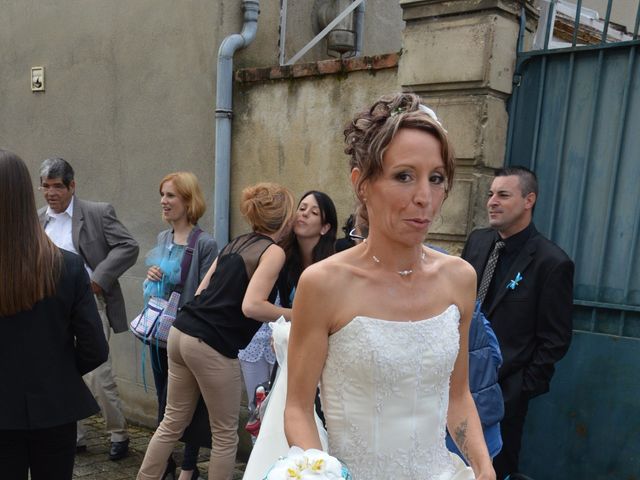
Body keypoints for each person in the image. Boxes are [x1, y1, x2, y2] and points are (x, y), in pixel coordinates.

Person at [282, 93, 495, 479]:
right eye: (404, 176)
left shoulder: (459, 278)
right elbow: (297, 407)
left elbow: (458, 395)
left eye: (436, 179)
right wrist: (319, 471)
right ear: (362, 184)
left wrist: (483, 467)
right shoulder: (323, 284)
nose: (424, 199)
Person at [137, 182, 295, 480]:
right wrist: (295, 314)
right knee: (224, 435)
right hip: (212, 343)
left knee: (171, 422)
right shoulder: (273, 252)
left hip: (181, 331)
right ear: (284, 218)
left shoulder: (236, 243)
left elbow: (200, 291)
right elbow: (253, 307)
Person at [0, 150, 109, 480]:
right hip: (56, 407)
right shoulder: (69, 265)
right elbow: (94, 347)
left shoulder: (67, 265)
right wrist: (56, 373)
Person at [461, 166, 574, 479]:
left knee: (496, 470)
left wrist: (518, 391)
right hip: (455, 386)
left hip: (503, 397)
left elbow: (555, 340)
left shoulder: (552, 262)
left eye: (503, 195)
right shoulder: (478, 242)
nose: (492, 202)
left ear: (529, 200)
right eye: (490, 194)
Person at [38, 157, 139, 460]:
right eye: (45, 186)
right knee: (60, 371)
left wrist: (98, 280)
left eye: (57, 186)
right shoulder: (38, 219)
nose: (51, 193)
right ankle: (76, 434)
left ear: (72, 186)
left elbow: (128, 246)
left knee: (97, 373)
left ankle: (118, 433)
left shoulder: (97, 212)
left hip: (88, 303)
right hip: (50, 307)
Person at [241, 191, 337, 477]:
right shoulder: (281, 257)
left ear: (325, 227)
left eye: (313, 212)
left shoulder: (333, 263)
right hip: (277, 349)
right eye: (302, 208)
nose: (303, 213)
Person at [144, 172, 218, 480]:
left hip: (187, 337)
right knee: (164, 400)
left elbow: (207, 293)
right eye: (162, 194)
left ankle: (189, 468)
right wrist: (152, 277)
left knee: (190, 404)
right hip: (158, 334)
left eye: (171, 195)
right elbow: (157, 285)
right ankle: (166, 464)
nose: (163, 201)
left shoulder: (206, 244)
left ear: (188, 201)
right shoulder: (163, 238)